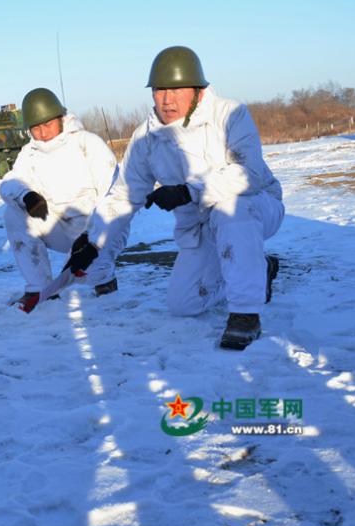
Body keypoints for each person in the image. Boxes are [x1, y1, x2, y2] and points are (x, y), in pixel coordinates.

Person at [86, 46, 283, 350]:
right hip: (200, 227)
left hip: (257, 205)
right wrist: (93, 244)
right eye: (160, 90)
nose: (167, 99)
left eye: (177, 90)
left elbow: (249, 175)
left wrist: (189, 190)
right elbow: (122, 197)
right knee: (184, 304)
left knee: (231, 208)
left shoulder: (229, 114)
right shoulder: (145, 139)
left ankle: (246, 314)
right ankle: (259, 268)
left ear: (199, 91)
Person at [0, 88, 120, 306]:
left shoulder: (87, 143)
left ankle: (104, 280)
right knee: (13, 214)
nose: (43, 133)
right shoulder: (29, 153)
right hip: (56, 226)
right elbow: (9, 182)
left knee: (92, 270)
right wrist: (27, 196)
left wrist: (93, 236)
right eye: (36, 127)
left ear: (61, 118)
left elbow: (112, 193)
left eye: (47, 124)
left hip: (92, 226)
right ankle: (39, 287)